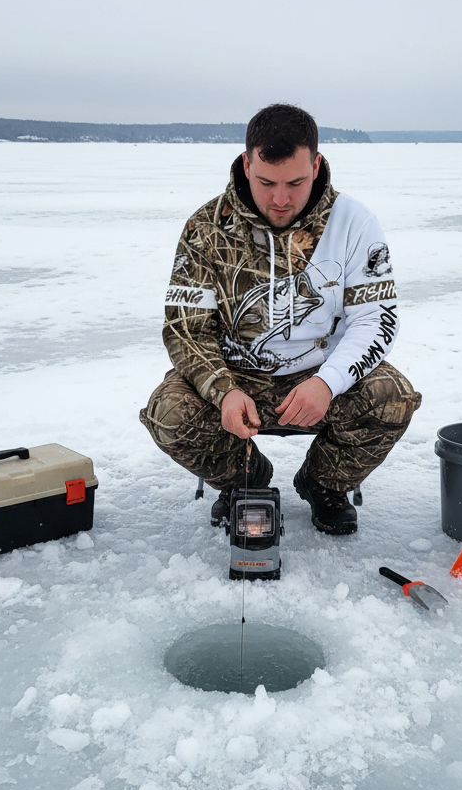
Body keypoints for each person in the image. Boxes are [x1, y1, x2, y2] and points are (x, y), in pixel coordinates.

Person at [139, 103, 421, 535]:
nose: (281, 199)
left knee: (392, 398)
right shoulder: (206, 227)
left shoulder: (354, 222)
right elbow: (186, 328)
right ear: (246, 164)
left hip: (319, 375)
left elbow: (375, 319)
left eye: (296, 182)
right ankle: (245, 480)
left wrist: (327, 382)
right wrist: (223, 392)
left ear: (317, 165)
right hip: (235, 377)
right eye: (266, 182)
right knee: (168, 413)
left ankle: (323, 484)